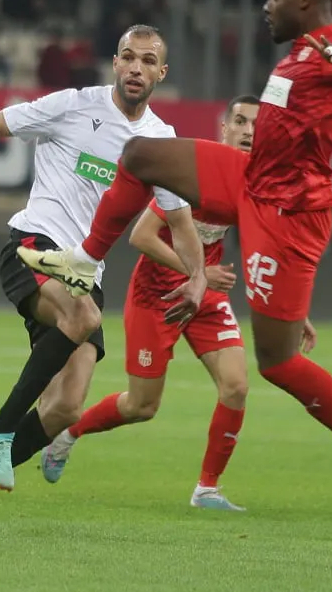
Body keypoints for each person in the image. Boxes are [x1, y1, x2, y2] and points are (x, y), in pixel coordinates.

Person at [19, 0, 332, 522]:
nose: (266, 5)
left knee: (275, 363)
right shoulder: (300, 48)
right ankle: (84, 259)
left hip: (288, 213)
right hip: (250, 180)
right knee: (141, 155)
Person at [0, 25, 208, 542]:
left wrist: (199, 275)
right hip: (34, 243)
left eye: (147, 60)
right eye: (127, 57)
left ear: (162, 73)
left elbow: (182, 223)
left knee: (65, 408)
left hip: (84, 273)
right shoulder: (74, 105)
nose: (136, 68)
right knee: (84, 317)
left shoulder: (161, 143)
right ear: (114, 64)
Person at [38, 96, 263, 511]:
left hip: (205, 296)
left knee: (236, 386)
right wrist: (198, 273)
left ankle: (207, 489)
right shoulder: (193, 174)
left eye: (257, 124)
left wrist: (293, 311)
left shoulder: (255, 180)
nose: (249, 130)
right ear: (224, 130)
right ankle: (67, 436)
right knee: (142, 406)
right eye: (241, 121)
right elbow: (141, 236)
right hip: (156, 295)